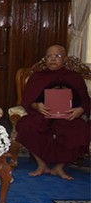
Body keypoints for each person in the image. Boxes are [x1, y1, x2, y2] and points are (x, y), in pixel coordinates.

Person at [16, 45, 90, 180]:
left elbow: (85, 100)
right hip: (42, 115)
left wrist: (80, 110)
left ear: (65, 59)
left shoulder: (74, 77)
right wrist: (36, 106)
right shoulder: (37, 76)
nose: (53, 59)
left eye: (57, 56)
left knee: (82, 130)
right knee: (25, 126)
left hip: (67, 116)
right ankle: (41, 165)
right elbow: (27, 99)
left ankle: (59, 167)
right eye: (49, 56)